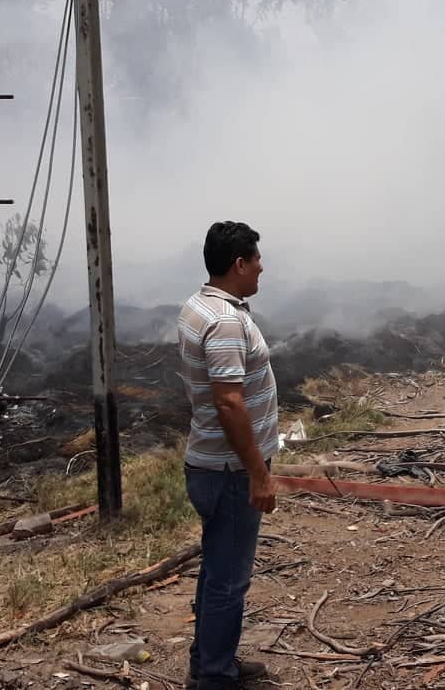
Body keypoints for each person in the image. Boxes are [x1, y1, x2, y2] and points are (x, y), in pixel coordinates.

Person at [176, 221, 277, 690]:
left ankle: (211, 660)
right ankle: (215, 676)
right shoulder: (225, 322)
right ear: (239, 263)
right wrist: (258, 472)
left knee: (217, 567)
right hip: (230, 469)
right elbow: (229, 402)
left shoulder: (200, 306)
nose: (261, 267)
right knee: (229, 579)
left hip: (210, 462)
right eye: (256, 259)